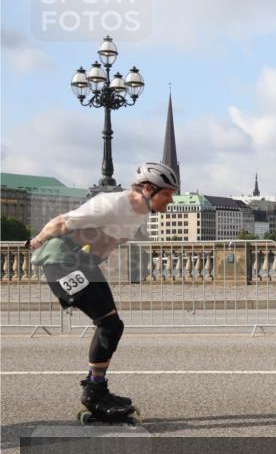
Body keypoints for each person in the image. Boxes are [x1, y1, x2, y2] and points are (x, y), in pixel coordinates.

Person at [27, 162, 179, 423]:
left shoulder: (139, 215)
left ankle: (96, 389)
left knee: (113, 325)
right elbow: (62, 222)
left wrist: (97, 263)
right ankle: (94, 395)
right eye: (167, 193)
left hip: (83, 265)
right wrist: (36, 241)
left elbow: (108, 242)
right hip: (61, 264)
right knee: (108, 324)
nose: (171, 200)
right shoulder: (111, 203)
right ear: (148, 189)